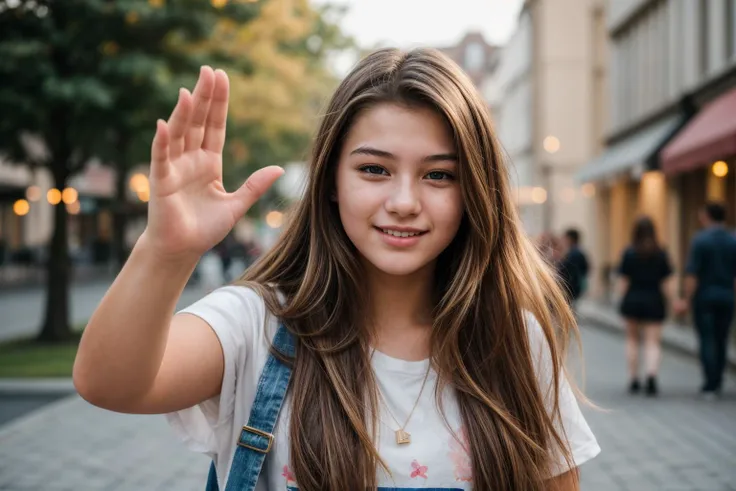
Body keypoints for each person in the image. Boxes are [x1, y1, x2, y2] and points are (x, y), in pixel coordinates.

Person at [73, 49, 599, 491]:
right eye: (374, 169)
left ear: (473, 193)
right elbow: (109, 382)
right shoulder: (259, 324)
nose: (403, 201)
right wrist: (167, 250)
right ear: (331, 180)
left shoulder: (513, 339)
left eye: (439, 175)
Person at [676, 202, 736, 398]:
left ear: (707, 216)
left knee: (707, 339)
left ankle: (710, 383)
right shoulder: (732, 239)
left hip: (705, 298)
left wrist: (686, 298)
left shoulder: (700, 240)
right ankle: (718, 379)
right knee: (722, 338)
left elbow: (692, 275)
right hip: (727, 297)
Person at [617, 217, 675, 396]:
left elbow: (623, 282)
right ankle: (651, 376)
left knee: (632, 340)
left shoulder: (629, 252)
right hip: (654, 300)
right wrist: (673, 302)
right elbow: (666, 283)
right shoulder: (661, 253)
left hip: (633, 299)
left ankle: (634, 379)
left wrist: (621, 299)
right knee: (653, 342)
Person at [558, 229, 589, 305]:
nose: (563, 241)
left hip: (571, 288)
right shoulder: (579, 252)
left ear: (570, 239)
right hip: (574, 288)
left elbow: (566, 270)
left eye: (565, 238)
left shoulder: (573, 254)